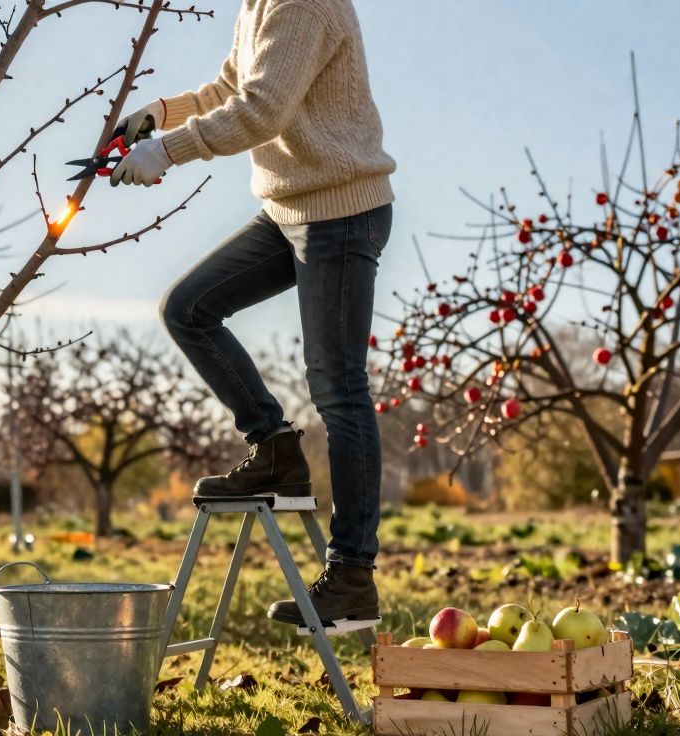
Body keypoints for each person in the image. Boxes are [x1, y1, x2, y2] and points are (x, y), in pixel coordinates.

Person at [109, 0, 394, 625]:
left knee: (339, 389)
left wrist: (170, 151)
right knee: (188, 307)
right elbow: (231, 87)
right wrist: (163, 112)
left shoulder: (302, 5)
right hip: (289, 209)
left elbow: (262, 112)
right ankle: (274, 449)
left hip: (341, 211)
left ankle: (352, 576)